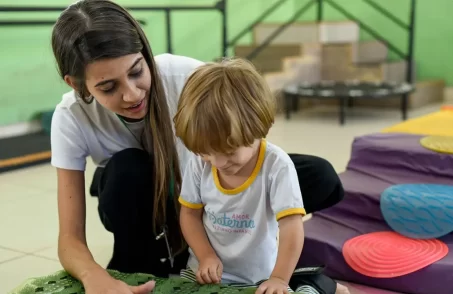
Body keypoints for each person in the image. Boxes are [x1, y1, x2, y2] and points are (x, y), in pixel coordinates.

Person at [50, 0, 344, 293]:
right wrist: (93, 276)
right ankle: (141, 263)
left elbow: (248, 143)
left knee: (319, 175)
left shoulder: (189, 78)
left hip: (210, 200)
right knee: (126, 169)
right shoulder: (70, 118)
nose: (130, 95)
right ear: (76, 85)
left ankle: (252, 250)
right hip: (148, 206)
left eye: (137, 71)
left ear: (145, 54)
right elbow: (70, 237)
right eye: (108, 87)